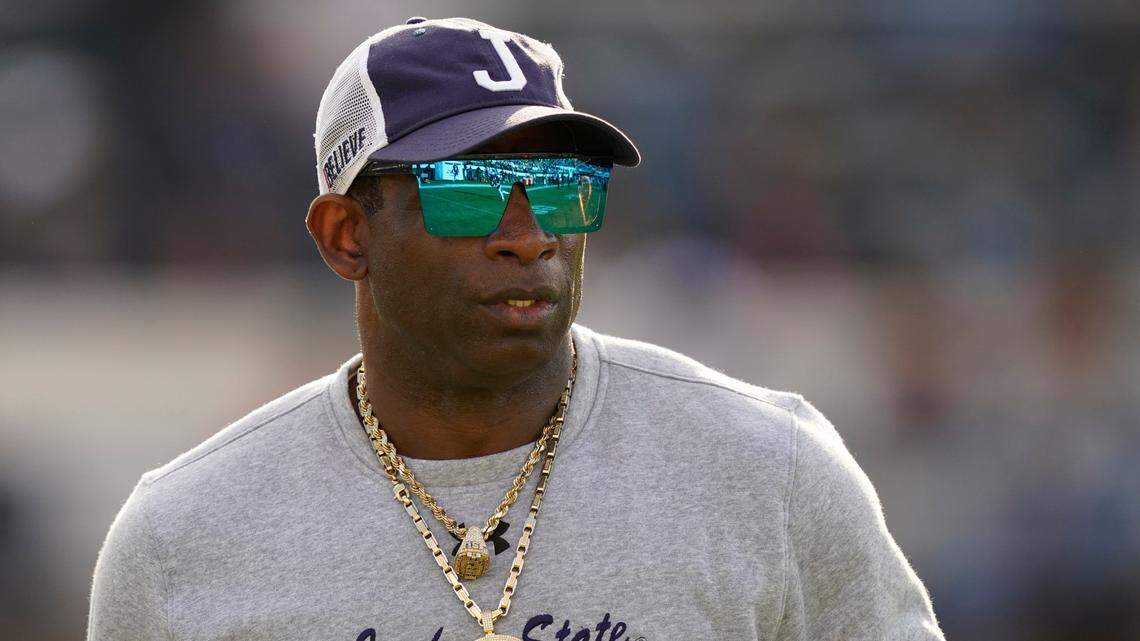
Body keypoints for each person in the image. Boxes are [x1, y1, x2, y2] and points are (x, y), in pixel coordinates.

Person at [87, 16, 944, 641]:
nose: (528, 234)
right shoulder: (183, 539)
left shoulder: (771, 468)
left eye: (563, 186)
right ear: (348, 236)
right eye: (472, 189)